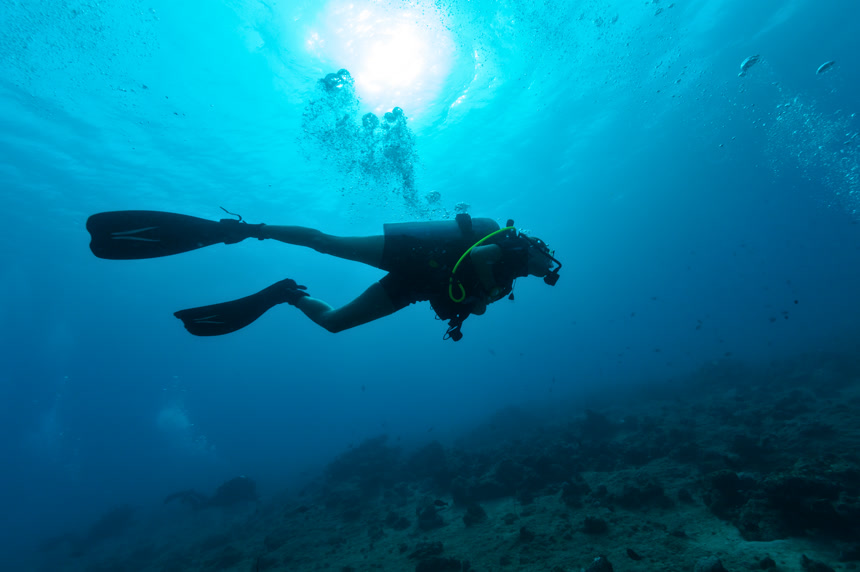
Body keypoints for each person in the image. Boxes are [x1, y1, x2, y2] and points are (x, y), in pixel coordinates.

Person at [86, 210, 562, 341]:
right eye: (548, 263)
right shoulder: (516, 249)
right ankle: (249, 230)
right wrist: (492, 289)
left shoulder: (512, 278)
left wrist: (485, 297)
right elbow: (478, 264)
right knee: (328, 242)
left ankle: (287, 294)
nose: (546, 271)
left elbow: (471, 301)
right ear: (541, 252)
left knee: (335, 323)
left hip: (416, 286)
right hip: (416, 253)